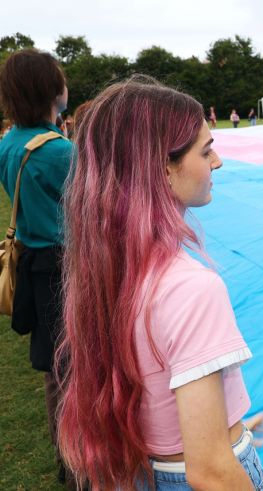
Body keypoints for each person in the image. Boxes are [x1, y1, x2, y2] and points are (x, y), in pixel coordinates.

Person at [56, 76, 263, 490]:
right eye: (205, 151)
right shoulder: (192, 288)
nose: (217, 162)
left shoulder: (103, 273)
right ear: (162, 169)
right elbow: (209, 471)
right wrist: (227, 449)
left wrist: (230, 425)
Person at [0, 48, 75, 488]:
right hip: (65, 265)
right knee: (76, 367)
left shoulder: (9, 142)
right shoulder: (59, 152)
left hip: (32, 261)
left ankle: (67, 455)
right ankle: (82, 458)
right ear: (51, 89)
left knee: (55, 369)